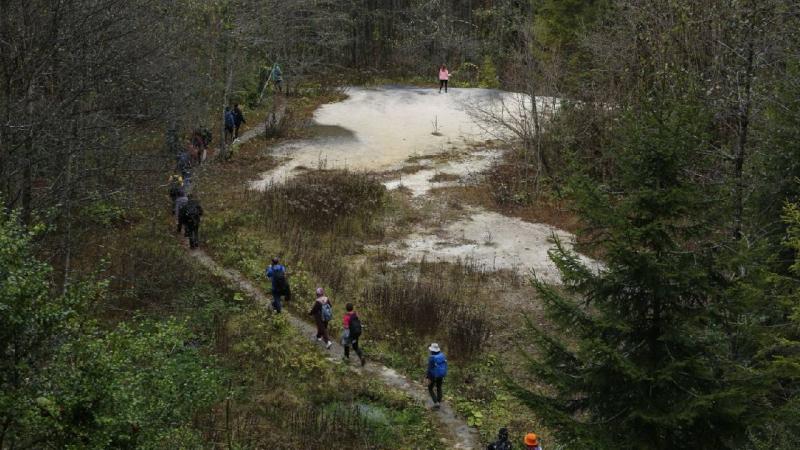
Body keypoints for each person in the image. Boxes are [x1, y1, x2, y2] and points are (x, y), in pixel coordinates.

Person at [426, 343, 448, 409]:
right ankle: (439, 401)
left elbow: (429, 368)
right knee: (439, 387)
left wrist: (428, 377)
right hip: (441, 374)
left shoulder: (432, 358)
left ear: (432, 350)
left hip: (434, 375)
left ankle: (436, 403)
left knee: (430, 388)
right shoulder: (442, 355)